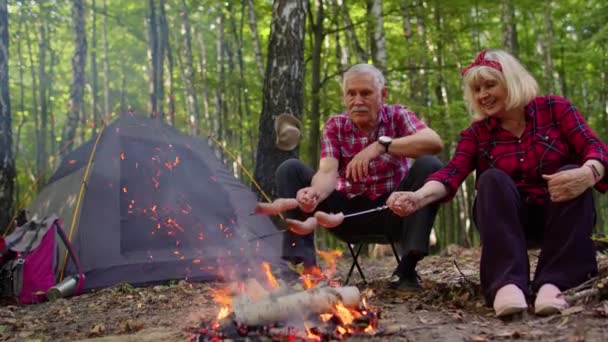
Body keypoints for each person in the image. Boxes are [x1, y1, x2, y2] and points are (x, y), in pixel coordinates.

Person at [386, 49, 608, 316]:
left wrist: (589, 173)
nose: (482, 95)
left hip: (561, 216)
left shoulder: (556, 109)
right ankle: (507, 284)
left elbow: (596, 148)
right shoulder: (476, 134)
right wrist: (417, 197)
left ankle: (555, 283)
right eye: (477, 90)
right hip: (507, 223)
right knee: (491, 180)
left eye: (490, 85)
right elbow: (451, 173)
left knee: (575, 171)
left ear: (512, 82)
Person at [265, 63, 444, 291]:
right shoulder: (335, 125)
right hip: (344, 215)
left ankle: (406, 271)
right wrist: (315, 193)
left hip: (394, 212)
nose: (358, 101)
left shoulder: (398, 115)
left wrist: (381, 146)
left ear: (383, 95)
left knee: (431, 165)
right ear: (344, 97)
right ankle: (302, 270)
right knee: (290, 168)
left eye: (366, 93)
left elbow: (434, 142)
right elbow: (328, 171)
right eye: (351, 94)